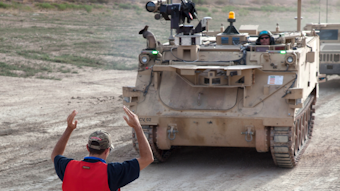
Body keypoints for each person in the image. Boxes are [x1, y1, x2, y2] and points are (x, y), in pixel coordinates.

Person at [51, 106, 154, 191]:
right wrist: (137, 127)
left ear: (88, 148)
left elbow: (55, 155)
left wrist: (69, 129)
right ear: (107, 150)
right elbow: (148, 158)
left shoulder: (68, 167)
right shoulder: (112, 172)